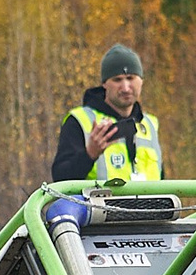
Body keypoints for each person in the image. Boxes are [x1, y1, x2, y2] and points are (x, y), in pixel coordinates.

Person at [50, 43, 162, 184]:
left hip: (150, 205)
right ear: (104, 83)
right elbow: (60, 179)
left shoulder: (151, 124)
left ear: (141, 81)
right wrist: (89, 154)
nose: (125, 87)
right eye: (117, 80)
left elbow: (161, 177)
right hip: (97, 205)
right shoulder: (80, 120)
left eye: (130, 78)